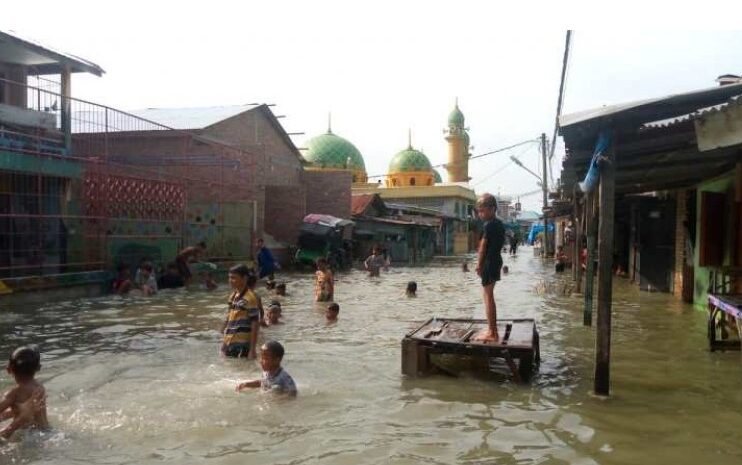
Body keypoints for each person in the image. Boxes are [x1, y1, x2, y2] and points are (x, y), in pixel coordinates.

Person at [474, 193, 505, 342]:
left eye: (483, 210)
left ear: (492, 209)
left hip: (489, 262)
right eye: (479, 211)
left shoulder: (489, 225)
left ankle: (492, 332)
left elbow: (483, 247)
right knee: (489, 295)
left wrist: (479, 265)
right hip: (496, 261)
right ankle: (492, 330)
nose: (480, 214)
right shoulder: (499, 224)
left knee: (487, 296)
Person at [0, 346, 49, 439]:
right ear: (38, 368)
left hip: (29, 437)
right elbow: (20, 410)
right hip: (46, 432)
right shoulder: (39, 387)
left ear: (9, 368)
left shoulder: (14, 393)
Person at [221, 265, 262, 359]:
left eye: (234, 278)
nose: (230, 280)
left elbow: (255, 324)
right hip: (230, 343)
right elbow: (230, 321)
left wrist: (252, 349)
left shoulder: (250, 298)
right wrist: (224, 344)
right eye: (229, 277)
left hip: (242, 345)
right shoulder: (233, 296)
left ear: (244, 278)